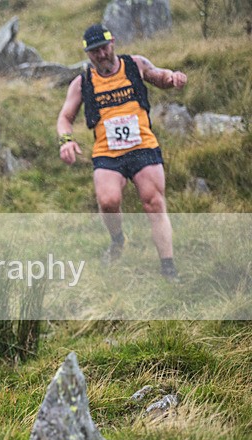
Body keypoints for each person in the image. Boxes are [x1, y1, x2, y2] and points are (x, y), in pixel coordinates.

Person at [57, 23, 187, 279]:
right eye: (95, 52)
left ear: (113, 42)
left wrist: (173, 78)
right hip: (107, 153)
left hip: (143, 147)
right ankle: (118, 239)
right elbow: (65, 117)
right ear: (87, 53)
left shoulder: (135, 65)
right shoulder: (82, 82)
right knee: (108, 202)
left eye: (104, 48)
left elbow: (161, 77)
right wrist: (66, 141)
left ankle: (168, 267)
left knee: (154, 203)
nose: (101, 55)